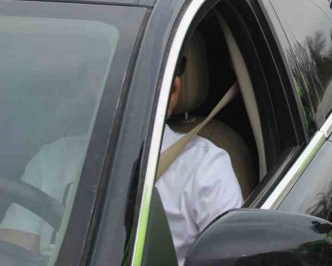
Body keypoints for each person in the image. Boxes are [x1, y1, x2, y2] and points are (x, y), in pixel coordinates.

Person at [0, 51, 243, 265]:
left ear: (173, 91)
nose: (111, 85)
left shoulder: (204, 167)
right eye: (101, 72)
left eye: (125, 72)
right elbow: (12, 251)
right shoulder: (52, 158)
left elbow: (232, 257)